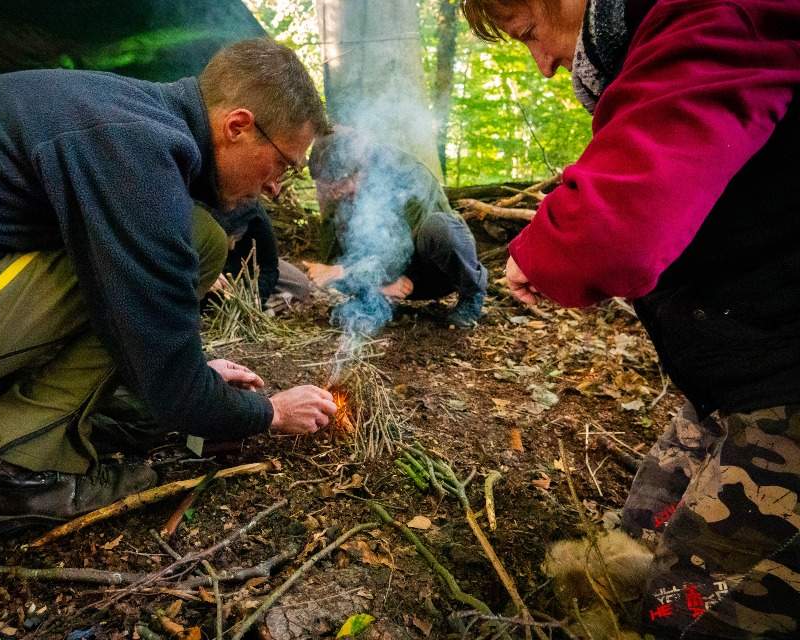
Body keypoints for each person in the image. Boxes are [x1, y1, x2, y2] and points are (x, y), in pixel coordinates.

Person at [0, 38, 338, 534]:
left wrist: (181, 369)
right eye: (284, 165)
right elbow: (169, 384)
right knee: (195, 240)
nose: (276, 188)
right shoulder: (133, 154)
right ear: (238, 126)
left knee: (156, 292)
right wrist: (267, 411)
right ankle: (18, 477)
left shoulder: (120, 114)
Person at [461, 0, 800, 636]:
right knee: (629, 546)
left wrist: (542, 251)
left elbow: (622, 231)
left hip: (784, 381)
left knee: (687, 615)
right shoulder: (662, 39)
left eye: (530, 32)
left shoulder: (717, 14)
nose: (543, 66)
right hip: (740, 368)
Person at [304, 129, 489, 328]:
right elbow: (330, 260)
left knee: (439, 227)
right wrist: (366, 281)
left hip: (433, 271)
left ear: (359, 171)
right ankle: (373, 303)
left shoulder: (405, 173)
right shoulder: (336, 194)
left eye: (338, 186)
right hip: (385, 283)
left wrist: (344, 271)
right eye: (326, 188)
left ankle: (473, 296)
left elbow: (400, 248)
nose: (333, 194)